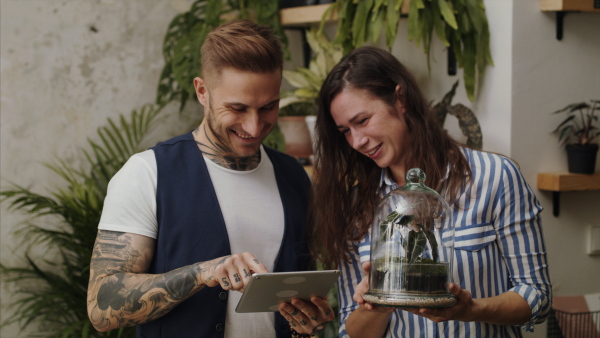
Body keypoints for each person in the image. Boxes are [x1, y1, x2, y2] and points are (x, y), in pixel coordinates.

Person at [86, 20, 334, 338]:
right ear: (202, 91)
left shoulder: (295, 178)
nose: (254, 126)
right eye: (237, 108)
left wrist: (306, 325)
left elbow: (296, 312)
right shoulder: (147, 173)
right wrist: (203, 273)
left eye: (268, 107)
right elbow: (101, 307)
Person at [309, 46, 552, 337]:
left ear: (400, 99)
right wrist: (378, 302)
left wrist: (470, 309)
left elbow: (536, 295)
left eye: (362, 121)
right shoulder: (357, 205)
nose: (357, 141)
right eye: (345, 131)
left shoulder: (495, 177)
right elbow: (353, 331)